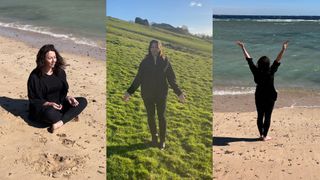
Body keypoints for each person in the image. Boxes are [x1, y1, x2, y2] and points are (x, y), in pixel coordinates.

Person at [123, 39, 186, 150]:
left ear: (160, 48)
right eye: (152, 47)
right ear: (149, 48)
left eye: (156, 47)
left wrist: (179, 93)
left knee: (161, 117)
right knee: (150, 116)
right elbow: (138, 78)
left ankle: (162, 140)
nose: (154, 49)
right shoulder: (145, 62)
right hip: (147, 94)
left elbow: (172, 79)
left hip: (161, 94)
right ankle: (154, 137)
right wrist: (129, 92)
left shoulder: (165, 61)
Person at [27, 44, 87, 133]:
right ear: (43, 60)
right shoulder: (35, 76)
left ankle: (59, 123)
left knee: (82, 101)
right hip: (44, 108)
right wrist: (48, 103)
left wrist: (68, 98)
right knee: (50, 114)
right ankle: (67, 117)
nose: (53, 60)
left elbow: (62, 92)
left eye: (54, 57)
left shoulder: (60, 72)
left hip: (60, 104)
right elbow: (33, 99)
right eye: (50, 58)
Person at [236, 40, 288, 141]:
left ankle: (261, 135)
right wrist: (283, 49)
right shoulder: (271, 71)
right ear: (268, 64)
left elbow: (249, 59)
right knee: (268, 116)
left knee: (260, 115)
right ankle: (265, 136)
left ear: (259, 64)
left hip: (259, 95)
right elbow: (277, 60)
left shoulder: (256, 71)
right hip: (270, 96)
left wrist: (243, 47)